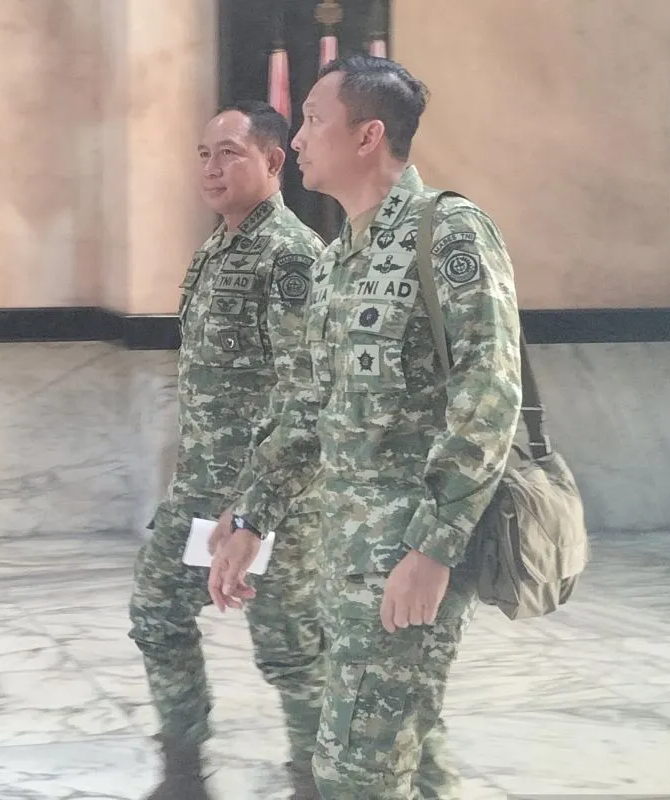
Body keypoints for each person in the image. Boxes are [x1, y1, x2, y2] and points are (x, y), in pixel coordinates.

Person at [207, 55, 523, 800]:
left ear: (367, 135)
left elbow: (490, 394)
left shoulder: (447, 233)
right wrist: (253, 514)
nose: (298, 138)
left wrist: (433, 548)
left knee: (354, 770)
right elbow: (307, 407)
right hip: (343, 553)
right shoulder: (335, 260)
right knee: (409, 752)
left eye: (314, 120)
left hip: (408, 554)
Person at [128, 100, 328, 800]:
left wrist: (257, 507)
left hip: (268, 499)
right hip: (199, 491)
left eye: (230, 153)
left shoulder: (291, 256)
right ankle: (183, 773)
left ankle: (316, 781)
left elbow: (308, 393)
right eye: (204, 154)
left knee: (292, 653)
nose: (212, 168)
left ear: (273, 161)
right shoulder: (216, 248)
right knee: (156, 615)